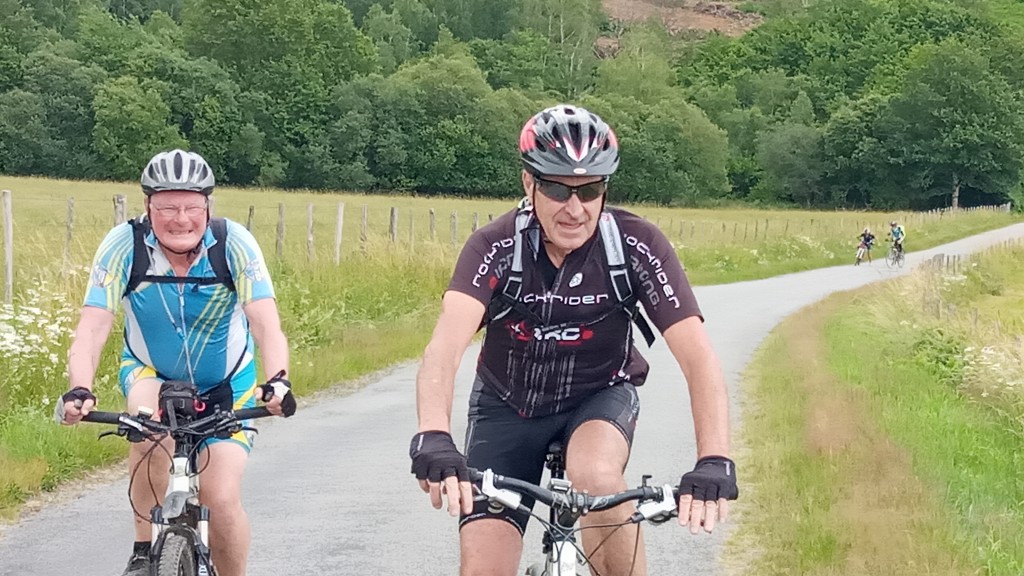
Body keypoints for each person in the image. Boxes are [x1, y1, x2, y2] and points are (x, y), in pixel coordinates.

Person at [409, 104, 738, 575]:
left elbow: (699, 358)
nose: (575, 208)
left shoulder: (636, 245)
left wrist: (714, 458)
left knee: (598, 477)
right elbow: (443, 349)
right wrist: (434, 435)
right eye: (558, 189)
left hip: (598, 396)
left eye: (590, 190)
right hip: (507, 405)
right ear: (529, 183)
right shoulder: (494, 246)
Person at [54, 149, 296, 576]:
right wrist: (80, 388)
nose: (181, 219)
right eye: (167, 207)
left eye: (191, 207)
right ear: (148, 207)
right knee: (146, 428)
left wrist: (278, 380)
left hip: (227, 382)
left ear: (208, 207)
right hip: (151, 373)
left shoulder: (233, 244)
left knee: (221, 499)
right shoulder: (124, 245)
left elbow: (265, 324)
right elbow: (92, 327)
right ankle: (143, 549)